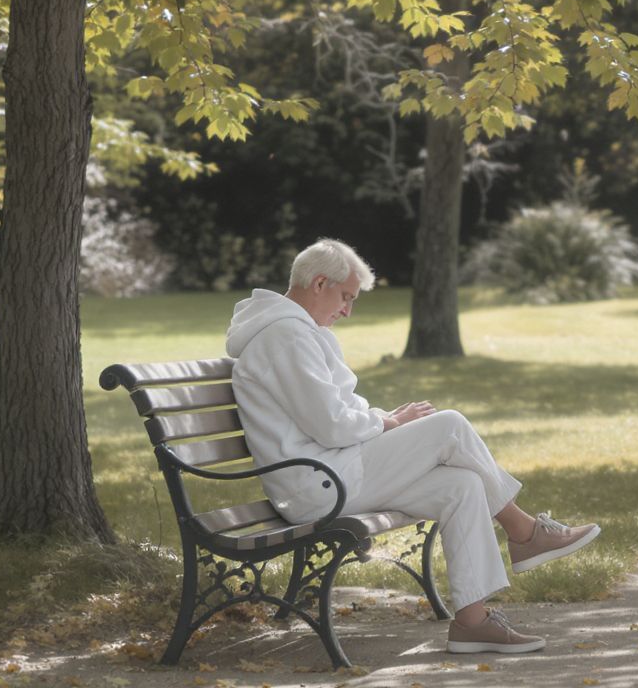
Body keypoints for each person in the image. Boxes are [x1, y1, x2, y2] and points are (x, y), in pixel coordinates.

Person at [225, 238, 600, 654]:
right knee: (450, 426)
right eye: (346, 297)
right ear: (318, 283)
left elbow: (340, 410)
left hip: (334, 471)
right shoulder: (285, 336)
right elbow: (331, 425)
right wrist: (389, 423)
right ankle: (524, 532)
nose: (347, 311)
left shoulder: (298, 331)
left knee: (461, 485)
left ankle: (472, 623)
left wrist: (385, 419)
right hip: (317, 484)